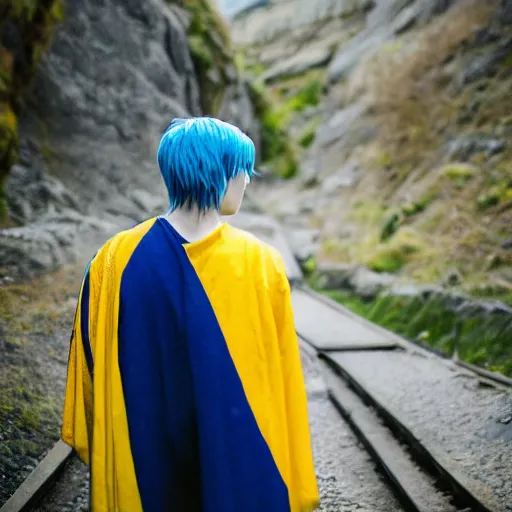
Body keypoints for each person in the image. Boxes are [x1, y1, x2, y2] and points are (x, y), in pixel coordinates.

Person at [61, 117, 319, 512]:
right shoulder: (260, 261)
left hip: (144, 441)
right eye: (241, 170)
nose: (246, 181)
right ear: (217, 171)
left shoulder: (113, 258)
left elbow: (90, 360)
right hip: (240, 448)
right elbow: (281, 374)